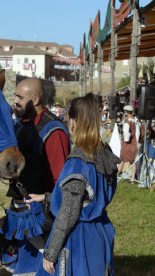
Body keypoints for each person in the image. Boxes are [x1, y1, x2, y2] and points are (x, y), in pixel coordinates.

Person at [27, 93, 120, 276]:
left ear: (73, 123)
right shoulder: (104, 154)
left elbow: (68, 215)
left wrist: (51, 253)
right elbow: (85, 200)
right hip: (101, 233)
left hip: (78, 239)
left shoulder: (78, 163)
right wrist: (47, 198)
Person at [0, 78, 71, 275]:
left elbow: (60, 180)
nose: (15, 101)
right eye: (15, 96)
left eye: (20, 97)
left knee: (38, 270)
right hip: (20, 210)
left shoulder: (54, 131)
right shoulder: (21, 125)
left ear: (35, 99)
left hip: (40, 217)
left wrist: (44, 205)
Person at [118, 105, 144, 184]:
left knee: (122, 159)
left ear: (126, 112)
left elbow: (126, 135)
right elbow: (142, 132)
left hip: (128, 144)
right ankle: (132, 179)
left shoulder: (127, 122)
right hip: (135, 144)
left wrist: (126, 140)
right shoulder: (137, 121)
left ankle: (116, 175)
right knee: (134, 161)